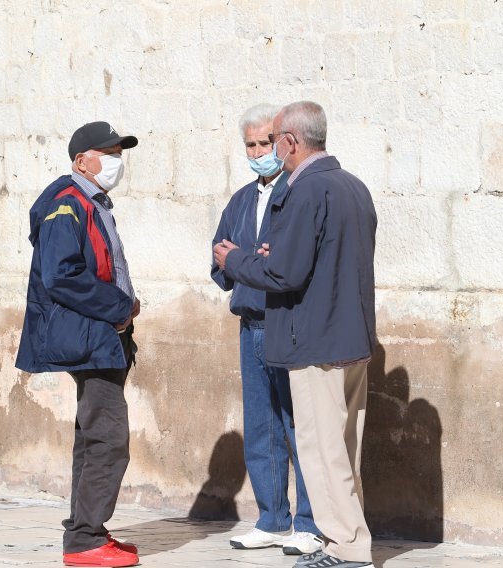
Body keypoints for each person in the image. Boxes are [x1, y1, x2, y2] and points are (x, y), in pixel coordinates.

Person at [213, 101, 377, 568]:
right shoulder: (353, 187)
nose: (271, 150)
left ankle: (345, 549)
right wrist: (273, 254)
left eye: (276, 139)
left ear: (290, 141)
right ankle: (345, 539)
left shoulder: (305, 191)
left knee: (323, 451)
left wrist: (238, 261)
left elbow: (286, 273)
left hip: (314, 341)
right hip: (350, 340)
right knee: (343, 451)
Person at [15, 121, 141, 568]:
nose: (116, 162)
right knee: (107, 437)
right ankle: (85, 540)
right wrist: (119, 307)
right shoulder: (68, 206)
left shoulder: (91, 203)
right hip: (90, 333)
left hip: (101, 334)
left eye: (119, 153)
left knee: (91, 436)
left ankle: (86, 529)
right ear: (80, 161)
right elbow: (62, 275)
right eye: (107, 153)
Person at [210, 103, 322, 556]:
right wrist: (241, 262)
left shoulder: (298, 194)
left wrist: (248, 260)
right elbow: (220, 255)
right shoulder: (241, 199)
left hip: (287, 324)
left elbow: (284, 262)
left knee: (299, 427)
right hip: (250, 323)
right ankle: (272, 517)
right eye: (251, 144)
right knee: (262, 427)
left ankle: (311, 522)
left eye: (265, 142)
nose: (259, 151)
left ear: (282, 141)